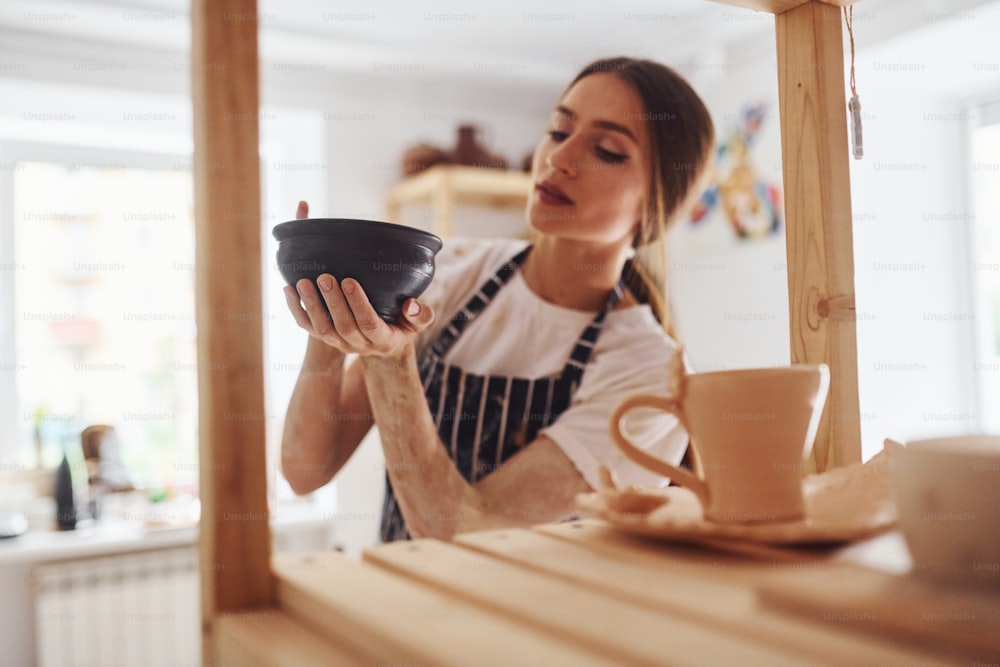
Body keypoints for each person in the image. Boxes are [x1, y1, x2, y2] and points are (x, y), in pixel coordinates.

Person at [280, 56, 715, 542]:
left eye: (607, 150)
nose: (559, 158)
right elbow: (304, 472)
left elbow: (468, 532)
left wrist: (391, 361)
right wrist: (327, 324)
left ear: (657, 205)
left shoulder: (653, 379)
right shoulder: (455, 271)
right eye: (558, 130)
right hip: (398, 606)